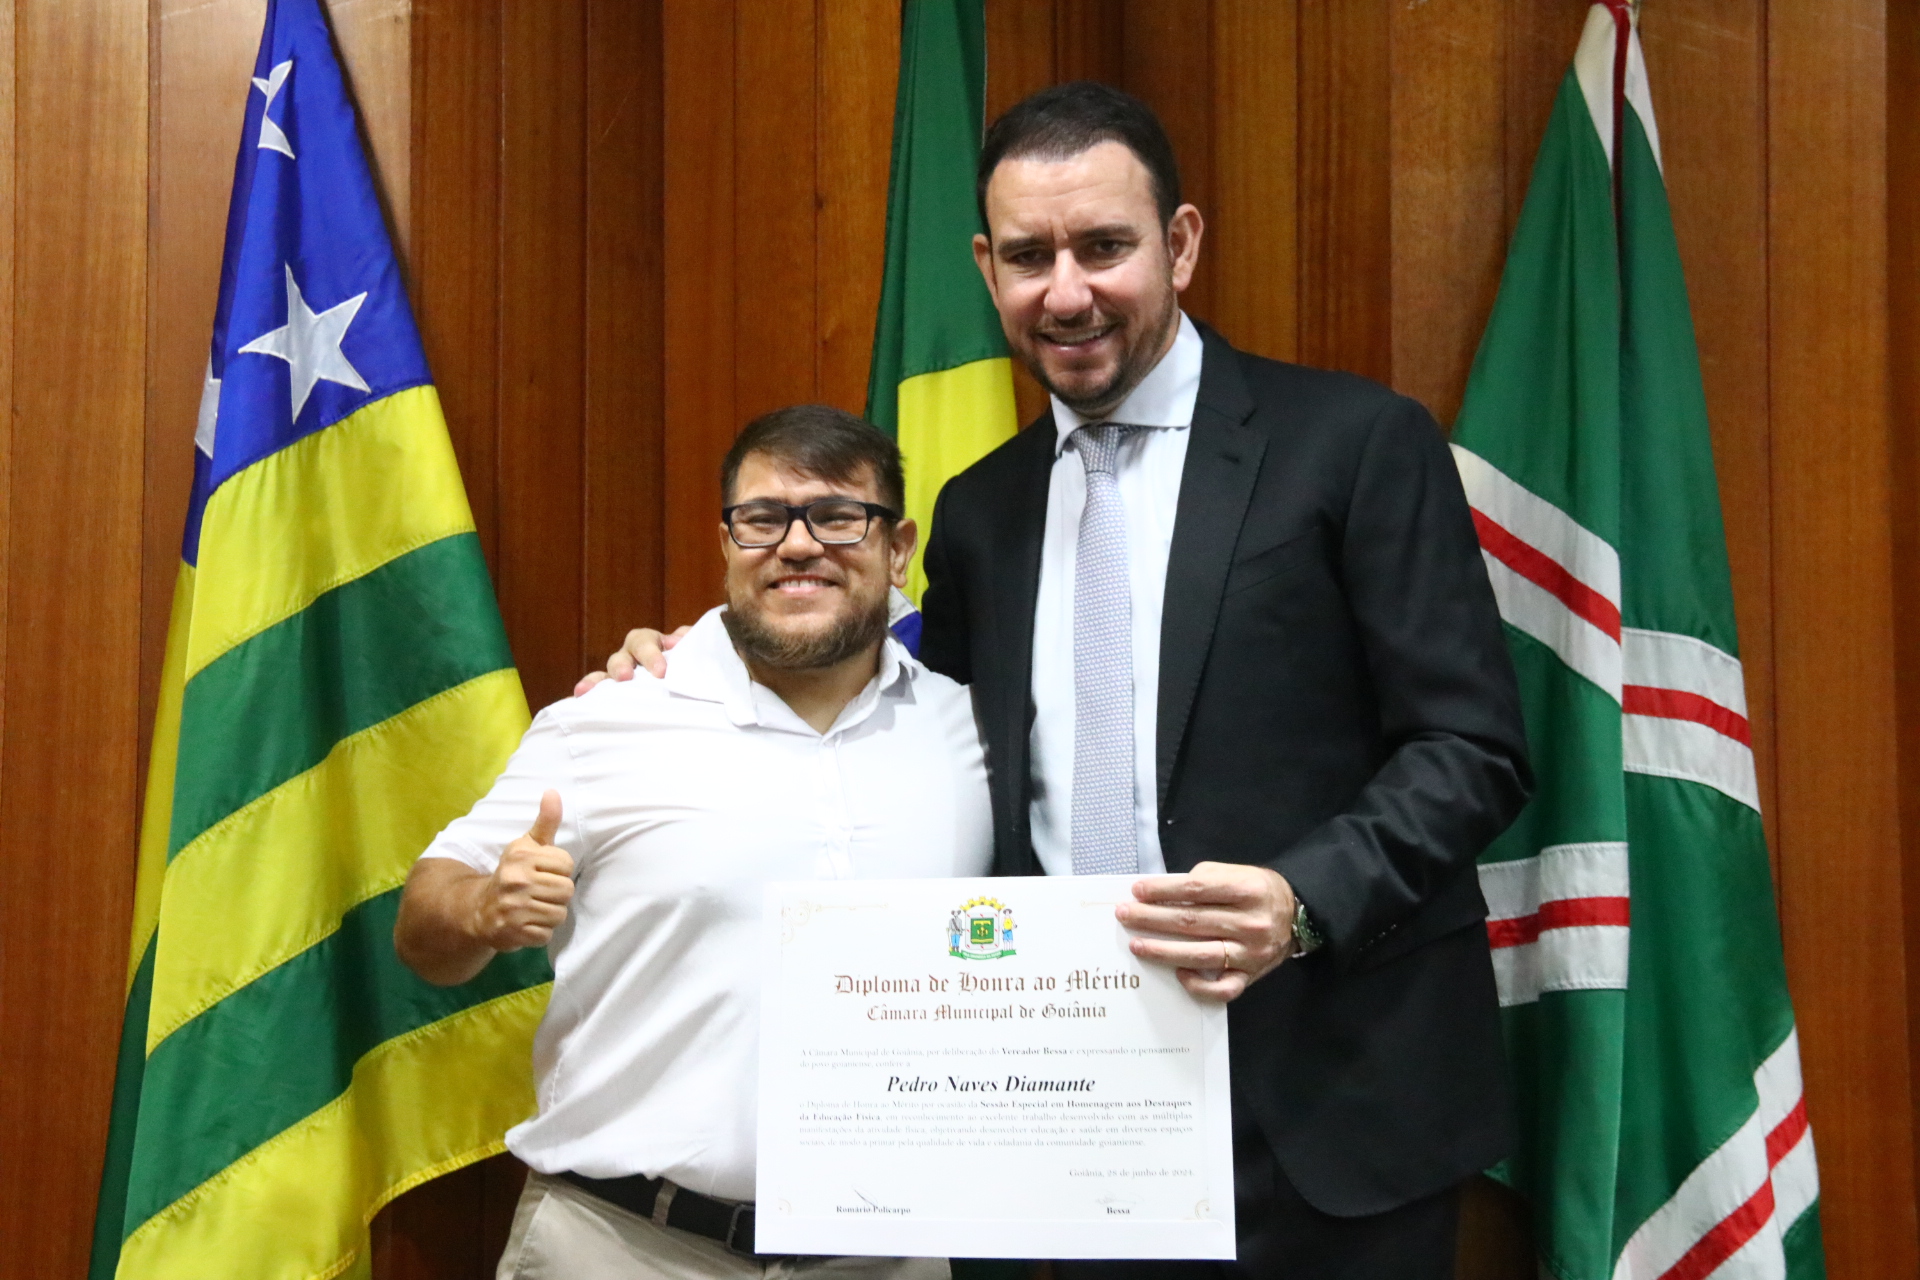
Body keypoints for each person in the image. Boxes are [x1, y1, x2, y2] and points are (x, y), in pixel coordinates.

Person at [594, 83, 1530, 1280]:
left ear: (1179, 244)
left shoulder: (1353, 443)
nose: (1068, 291)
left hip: (1326, 1104)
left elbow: (1471, 745)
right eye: (1031, 256)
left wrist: (1303, 899)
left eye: (1103, 246)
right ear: (988, 269)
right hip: (1060, 1117)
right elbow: (906, 736)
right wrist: (694, 664)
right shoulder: (980, 510)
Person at [397, 405, 990, 1280]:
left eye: (837, 517)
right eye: (763, 518)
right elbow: (423, 928)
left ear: (898, 549)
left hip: (884, 1253)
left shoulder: (972, 733)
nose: (798, 545)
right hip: (625, 1244)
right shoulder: (609, 719)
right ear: (727, 543)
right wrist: (484, 908)